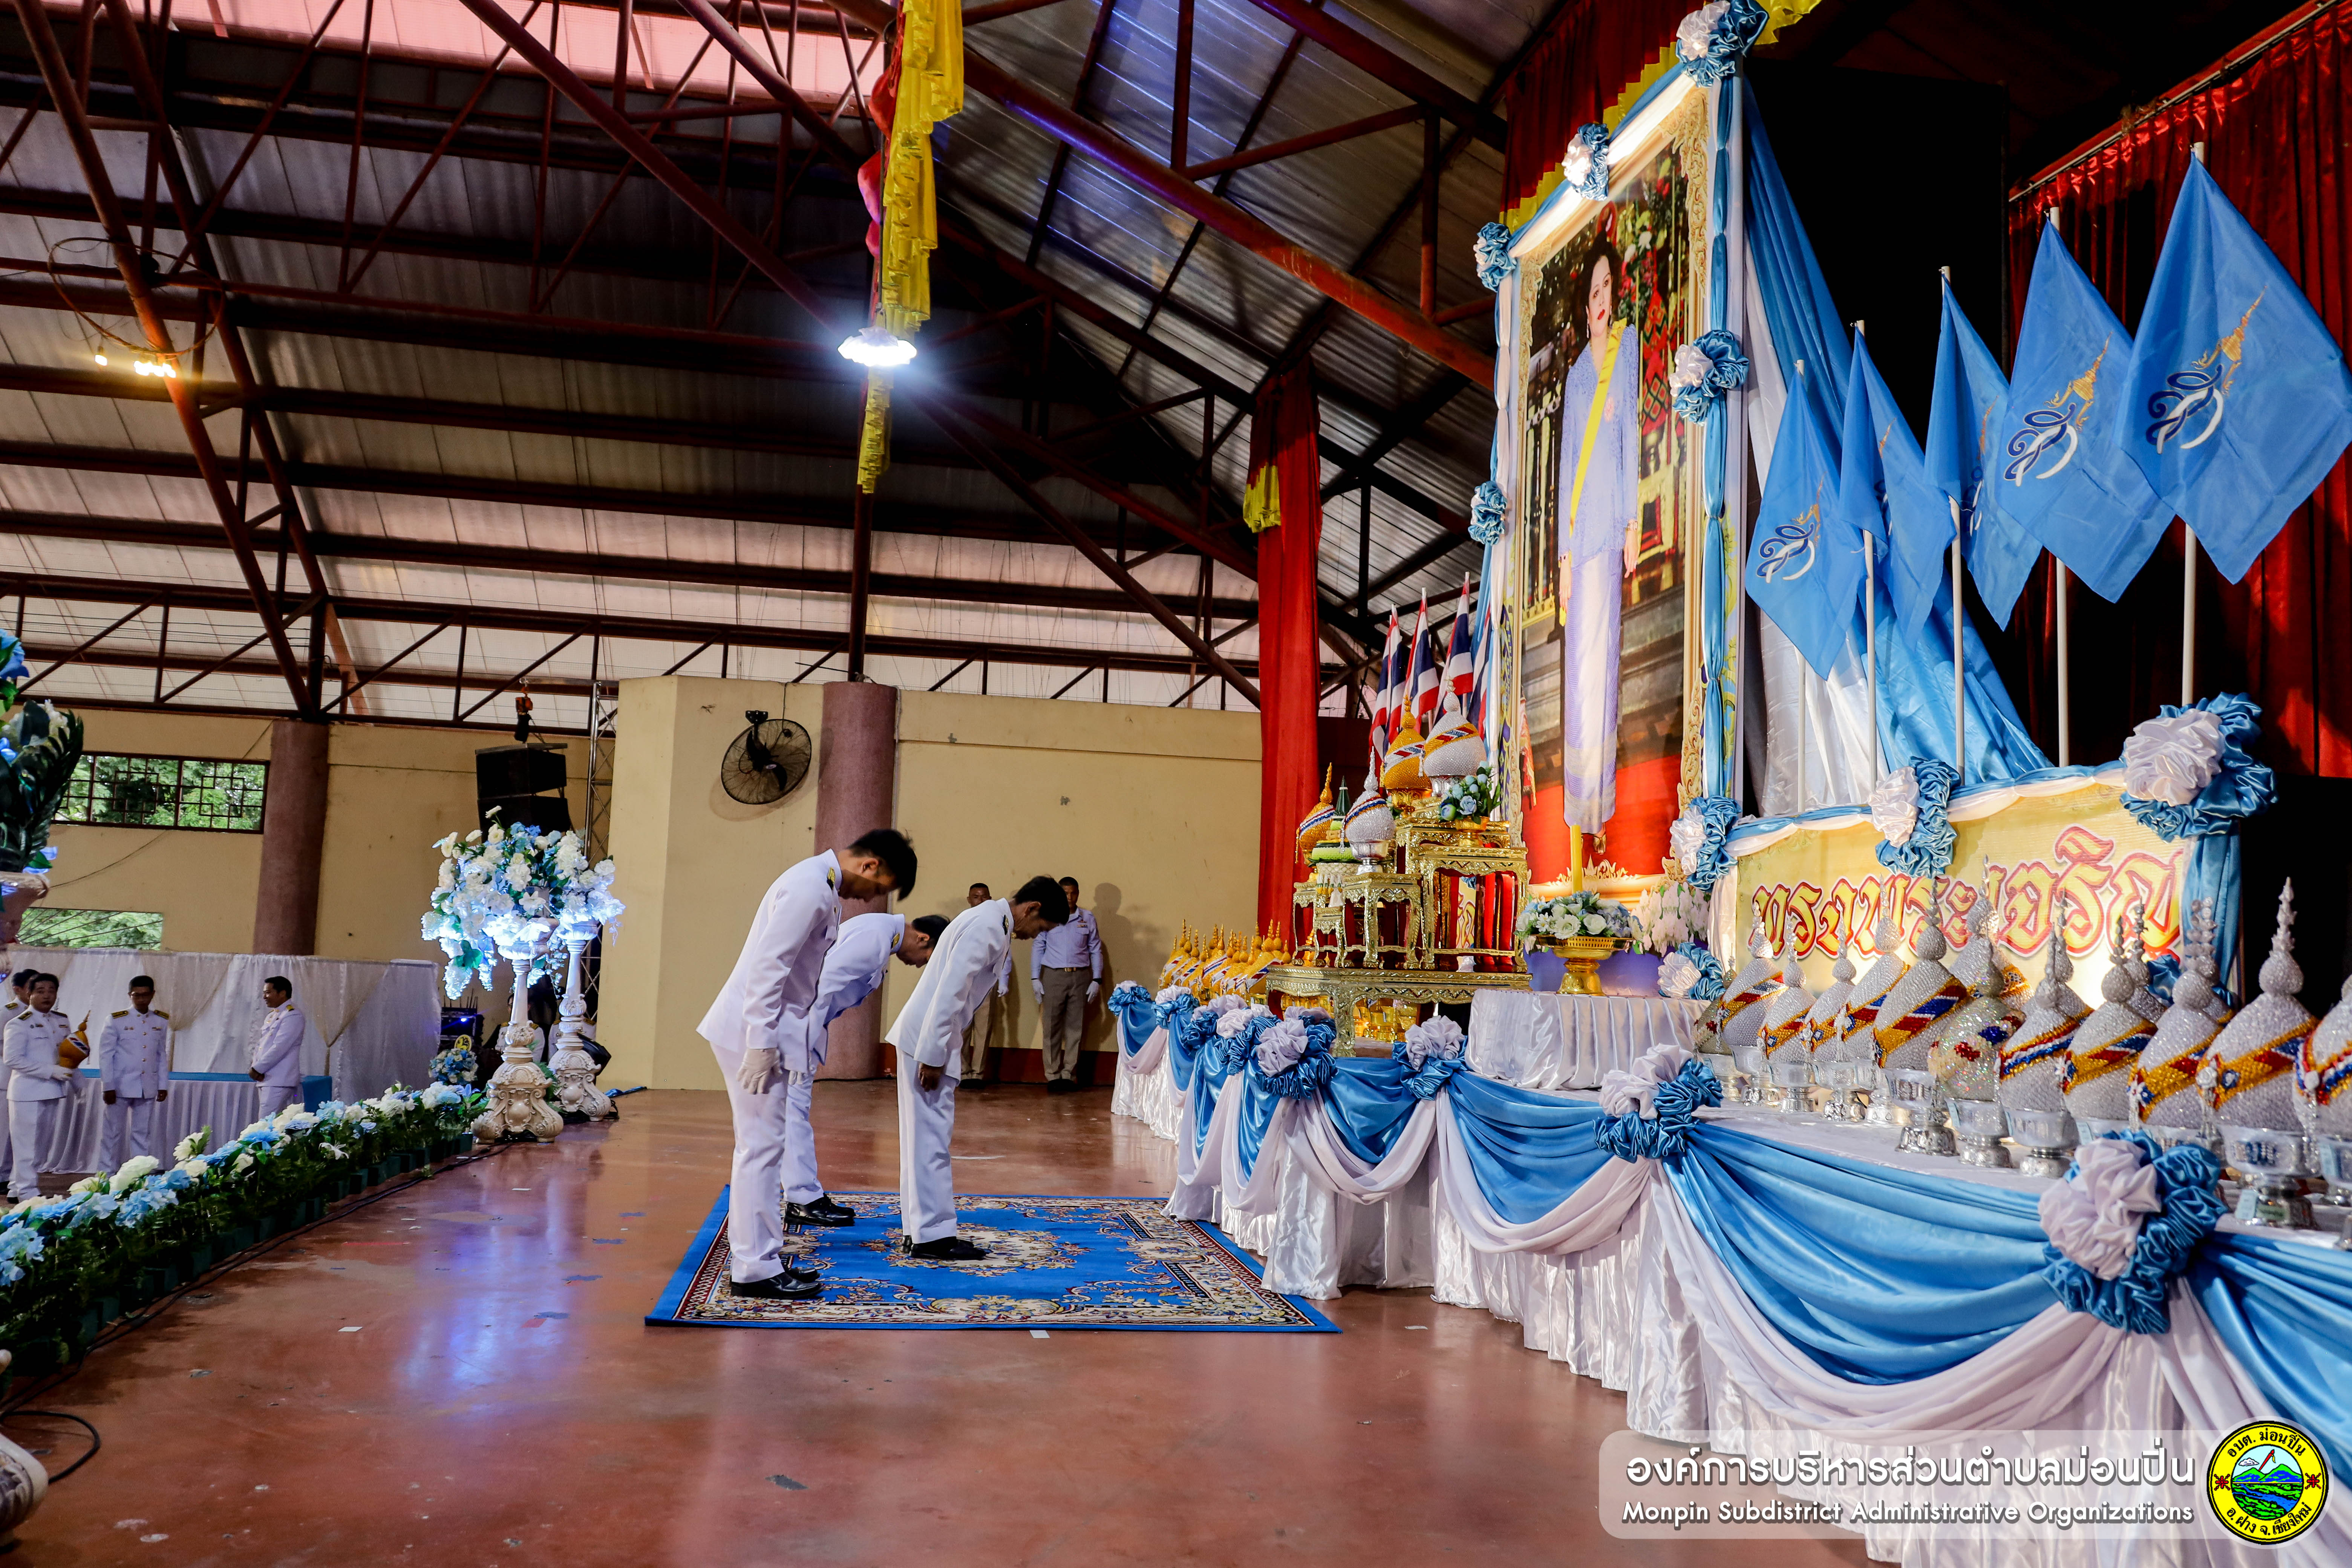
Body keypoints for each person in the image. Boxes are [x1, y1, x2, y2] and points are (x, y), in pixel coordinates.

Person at [699, 828, 917, 1301]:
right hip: (754, 1030)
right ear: (870, 866)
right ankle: (754, 1268)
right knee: (760, 1148)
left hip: (769, 1029)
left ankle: (760, 1259)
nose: (872, 899)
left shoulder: (819, 883)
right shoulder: (810, 887)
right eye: (878, 889)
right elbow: (768, 967)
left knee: (764, 1146)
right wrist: (761, 1042)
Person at [887, 876, 1067, 1258]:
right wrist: (934, 1054)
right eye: (1042, 928)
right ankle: (932, 1236)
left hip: (925, 1037)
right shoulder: (989, 925)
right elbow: (951, 990)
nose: (1036, 935)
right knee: (931, 1140)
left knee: (921, 1139)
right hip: (928, 1041)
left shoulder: (990, 918)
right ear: (1032, 908)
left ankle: (919, 1228)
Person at [781, 911, 945, 1229]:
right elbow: (820, 986)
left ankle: (803, 1195)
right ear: (924, 938)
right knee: (792, 1113)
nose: (923, 964)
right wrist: (800, 1043)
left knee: (792, 1112)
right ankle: (802, 1199)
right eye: (929, 956)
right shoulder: (876, 936)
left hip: (802, 1026)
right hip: (797, 1027)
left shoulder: (882, 936)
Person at [1555, 239, 1640, 837]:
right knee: (1578, 664)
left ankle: (1600, 802)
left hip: (1610, 525)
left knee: (1602, 655)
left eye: (1609, 287)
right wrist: (1562, 555)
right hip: (1580, 537)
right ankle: (1578, 801)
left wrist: (1633, 521)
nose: (1603, 299)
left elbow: (1632, 431)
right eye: (1595, 290)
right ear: (1585, 306)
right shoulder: (1576, 375)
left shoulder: (1627, 349)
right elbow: (1564, 468)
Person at [1030, 875, 1103, 1093]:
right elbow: (1038, 947)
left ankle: (1069, 1075)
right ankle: (1053, 1076)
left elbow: (1095, 949)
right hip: (1053, 976)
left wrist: (1097, 979)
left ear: (1078, 894)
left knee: (1076, 1028)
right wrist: (1035, 978)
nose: (1069, 897)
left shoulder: (1088, 918)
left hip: (1080, 977)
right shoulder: (1048, 916)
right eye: (1065, 893)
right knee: (1052, 1026)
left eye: (1073, 893)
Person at [4, 974, 73, 1201]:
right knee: (28, 1146)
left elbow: (65, 1055)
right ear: (29, 994)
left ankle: (16, 1187)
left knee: (40, 1145)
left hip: (51, 1090)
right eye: (40, 991)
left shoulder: (61, 1021)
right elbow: (12, 1059)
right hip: (27, 1092)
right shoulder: (18, 1023)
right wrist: (50, 1071)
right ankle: (28, 1191)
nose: (46, 995)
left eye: (51, 990)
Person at [98, 975, 172, 1170]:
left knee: (142, 1133)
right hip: (120, 1085)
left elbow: (161, 1055)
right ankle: (107, 1174)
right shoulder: (116, 1020)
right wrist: (108, 1086)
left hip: (147, 1086)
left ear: (153, 995)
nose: (141, 1000)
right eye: (136, 995)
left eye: (145, 995)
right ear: (130, 995)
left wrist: (163, 1085)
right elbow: (106, 1055)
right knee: (112, 1133)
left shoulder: (160, 1020)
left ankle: (139, 1175)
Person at [959, 882, 1008, 1086]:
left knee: (983, 1028)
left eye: (984, 896)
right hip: (964, 982)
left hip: (987, 981)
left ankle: (977, 1074)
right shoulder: (961, 922)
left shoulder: (998, 922)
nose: (980, 900)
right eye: (976, 897)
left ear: (990, 899)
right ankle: (962, 1072)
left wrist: (1003, 980)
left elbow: (1006, 953)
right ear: (969, 899)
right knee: (962, 1028)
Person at [248, 975, 306, 1118]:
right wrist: (256, 1067)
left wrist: (258, 1068)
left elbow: (280, 1047)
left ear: (283, 993)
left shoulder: (292, 1016)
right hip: (267, 1078)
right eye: (264, 993)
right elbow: (262, 1046)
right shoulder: (271, 1016)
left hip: (279, 1079)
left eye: (268, 993)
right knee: (272, 1124)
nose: (265, 997)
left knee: (266, 1125)